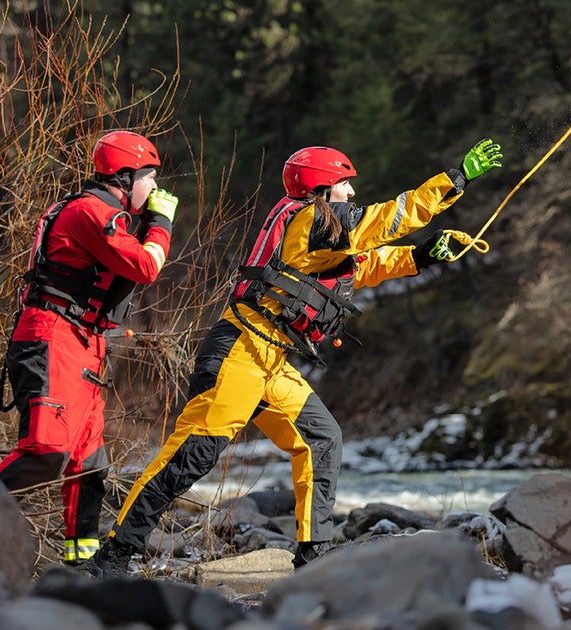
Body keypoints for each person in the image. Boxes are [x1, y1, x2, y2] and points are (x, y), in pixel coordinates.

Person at [89, 138, 502, 575]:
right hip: (239, 353)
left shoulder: (315, 229)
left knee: (322, 438)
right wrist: (456, 179)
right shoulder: (309, 218)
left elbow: (359, 267)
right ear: (323, 189)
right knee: (192, 456)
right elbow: (390, 218)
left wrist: (423, 255)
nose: (353, 194)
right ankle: (113, 555)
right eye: (346, 185)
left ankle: (313, 554)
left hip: (269, 360)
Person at [0, 130, 180, 567]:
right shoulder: (91, 212)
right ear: (126, 175)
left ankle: (84, 567)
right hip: (53, 338)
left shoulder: (100, 212)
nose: (155, 188)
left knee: (89, 462)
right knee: (47, 450)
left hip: (82, 344)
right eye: (149, 178)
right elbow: (146, 265)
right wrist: (162, 222)